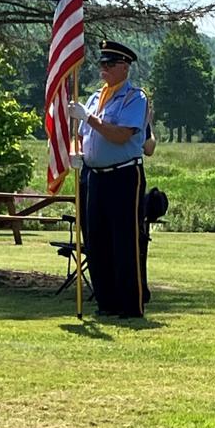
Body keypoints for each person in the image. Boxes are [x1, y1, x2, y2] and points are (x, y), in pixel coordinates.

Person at [68, 40, 149, 319]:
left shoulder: (134, 98)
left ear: (124, 67)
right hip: (95, 177)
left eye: (109, 64)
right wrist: (75, 154)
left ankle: (130, 305)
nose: (103, 68)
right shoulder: (93, 98)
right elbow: (81, 135)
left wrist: (88, 118)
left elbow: (121, 135)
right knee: (96, 240)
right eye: (101, 63)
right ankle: (106, 302)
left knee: (124, 241)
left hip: (124, 175)